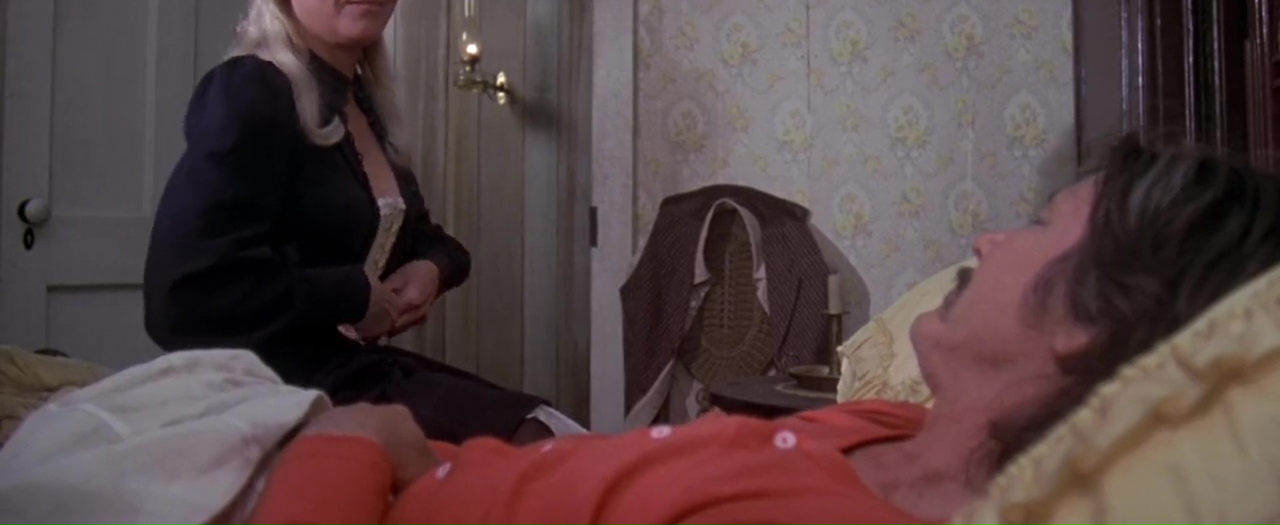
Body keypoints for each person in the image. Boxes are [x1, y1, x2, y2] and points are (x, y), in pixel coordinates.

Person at [245, 134, 1280, 525]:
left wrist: (348, 452)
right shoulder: (885, 426)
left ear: (1096, 323)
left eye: (1041, 228)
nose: (984, 238)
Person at [143, 0, 572, 445]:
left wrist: (434, 269)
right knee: (533, 445)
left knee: (550, 429)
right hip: (264, 391)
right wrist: (349, 294)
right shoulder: (250, 92)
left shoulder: (360, 101)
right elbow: (183, 296)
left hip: (343, 372)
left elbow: (425, 238)